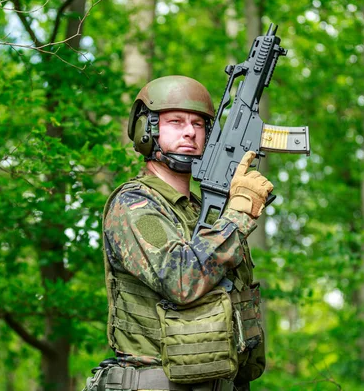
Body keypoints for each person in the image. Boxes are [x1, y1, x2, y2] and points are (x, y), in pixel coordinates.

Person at [89, 75, 273, 391]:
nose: (189, 131)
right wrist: (238, 214)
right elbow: (180, 279)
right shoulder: (133, 205)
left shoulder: (205, 213)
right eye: (175, 121)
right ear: (147, 130)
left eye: (199, 124)